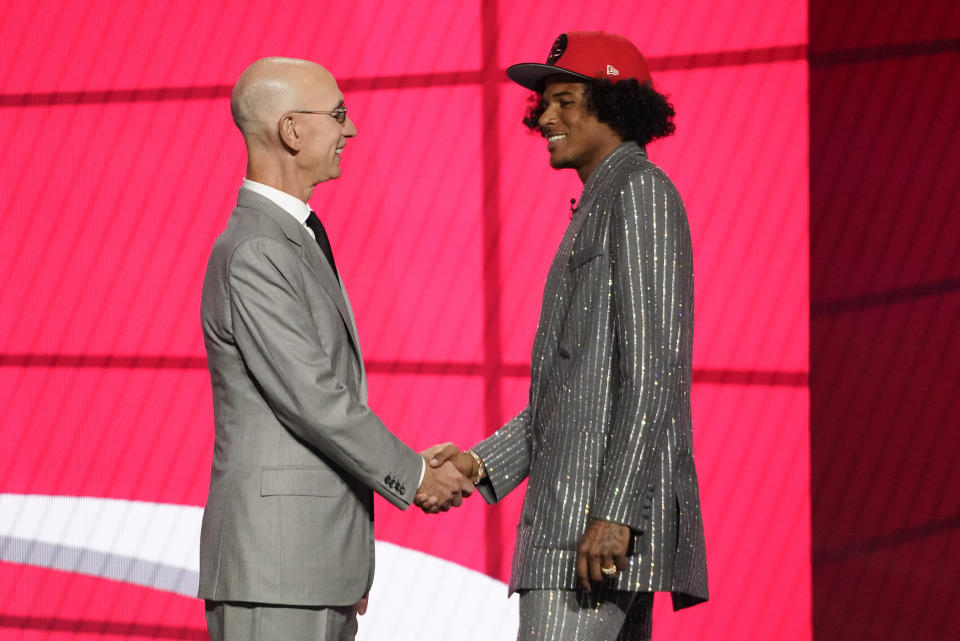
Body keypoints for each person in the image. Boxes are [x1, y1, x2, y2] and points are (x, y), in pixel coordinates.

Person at [431, 32, 708, 640]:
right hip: (583, 526)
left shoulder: (639, 193)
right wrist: (479, 464)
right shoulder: (601, 201)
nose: (545, 118)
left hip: (592, 529)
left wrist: (613, 513)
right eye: (544, 104)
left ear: (615, 104)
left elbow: (655, 371)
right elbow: (571, 395)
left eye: (565, 100)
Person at [198, 57, 469, 641]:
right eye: (339, 115)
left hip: (311, 565)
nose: (351, 132)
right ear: (292, 131)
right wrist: (416, 474)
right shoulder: (255, 251)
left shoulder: (289, 238)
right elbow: (314, 399)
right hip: (273, 569)